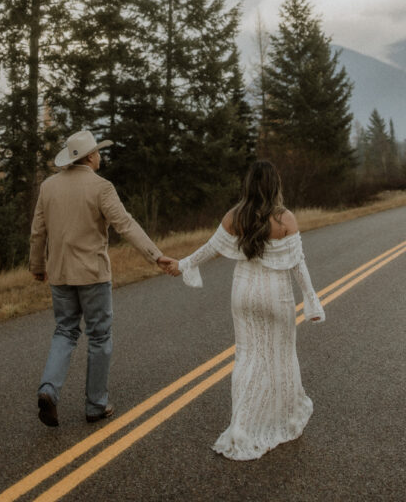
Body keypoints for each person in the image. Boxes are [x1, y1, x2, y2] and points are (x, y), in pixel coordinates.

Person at [166, 160, 325, 460]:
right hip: (275, 296)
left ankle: (241, 425)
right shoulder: (285, 219)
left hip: (243, 294)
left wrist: (183, 264)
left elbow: (209, 249)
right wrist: (311, 299)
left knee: (248, 357)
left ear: (248, 185)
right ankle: (285, 420)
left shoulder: (234, 216)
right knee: (280, 356)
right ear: (275, 185)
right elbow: (298, 264)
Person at [29, 129, 174, 427]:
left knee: (65, 331)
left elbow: (37, 232)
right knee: (99, 336)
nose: (100, 156)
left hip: (59, 274)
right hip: (93, 274)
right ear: (91, 156)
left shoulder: (48, 187)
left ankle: (48, 389)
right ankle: (95, 405)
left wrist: (37, 265)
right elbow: (125, 224)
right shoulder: (101, 187)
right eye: (97, 152)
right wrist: (155, 255)